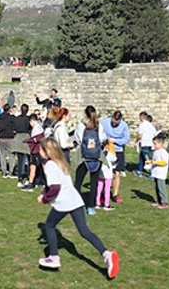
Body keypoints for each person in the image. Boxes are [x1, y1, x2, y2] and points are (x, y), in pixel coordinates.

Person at [36, 138, 119, 279]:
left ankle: (54, 257)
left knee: (49, 225)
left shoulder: (49, 165)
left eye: (40, 149)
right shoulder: (61, 162)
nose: (38, 151)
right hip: (76, 200)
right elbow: (55, 183)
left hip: (63, 202)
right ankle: (107, 254)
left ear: (47, 151)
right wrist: (44, 193)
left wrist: (45, 199)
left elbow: (55, 188)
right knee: (85, 231)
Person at [73, 106, 105, 215]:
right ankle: (91, 206)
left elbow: (78, 139)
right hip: (96, 157)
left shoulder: (81, 126)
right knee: (94, 183)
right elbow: (102, 139)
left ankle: (76, 204)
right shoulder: (99, 126)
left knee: (78, 181)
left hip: (84, 156)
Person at [100, 111, 130, 203]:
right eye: (113, 121)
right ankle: (102, 193)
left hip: (118, 150)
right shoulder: (104, 122)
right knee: (104, 172)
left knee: (116, 173)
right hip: (106, 150)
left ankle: (115, 194)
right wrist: (105, 140)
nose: (114, 123)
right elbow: (99, 132)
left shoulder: (124, 126)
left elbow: (126, 139)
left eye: (117, 122)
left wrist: (115, 140)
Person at [146, 134, 169, 209]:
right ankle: (159, 201)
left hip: (161, 173)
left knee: (161, 188)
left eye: (155, 143)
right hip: (155, 173)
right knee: (157, 187)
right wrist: (150, 162)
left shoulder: (163, 152)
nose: (154, 145)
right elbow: (154, 160)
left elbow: (164, 162)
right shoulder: (155, 152)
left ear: (161, 143)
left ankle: (164, 202)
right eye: (153, 143)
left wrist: (156, 162)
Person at [22, 113, 45, 191]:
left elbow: (38, 139)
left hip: (37, 150)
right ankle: (32, 182)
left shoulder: (37, 128)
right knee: (34, 166)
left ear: (32, 121)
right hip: (35, 150)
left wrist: (28, 141)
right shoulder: (37, 127)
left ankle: (32, 183)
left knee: (37, 166)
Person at [12, 104, 33, 188]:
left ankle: (19, 180)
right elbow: (31, 128)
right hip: (26, 137)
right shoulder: (28, 119)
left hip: (18, 138)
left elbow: (14, 129)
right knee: (29, 160)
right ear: (27, 110)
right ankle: (28, 178)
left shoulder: (16, 119)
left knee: (20, 160)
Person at [0, 103, 16, 178]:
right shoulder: (11, 117)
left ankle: (4, 172)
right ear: (9, 109)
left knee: (2, 155)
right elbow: (15, 125)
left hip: (1, 138)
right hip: (9, 138)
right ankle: (11, 171)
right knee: (11, 155)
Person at [133, 112, 157, 178]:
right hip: (151, 144)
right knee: (141, 158)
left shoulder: (142, 125)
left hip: (145, 143)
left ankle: (152, 173)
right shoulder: (152, 126)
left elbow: (140, 136)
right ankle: (140, 171)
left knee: (147, 159)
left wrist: (136, 141)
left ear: (141, 117)